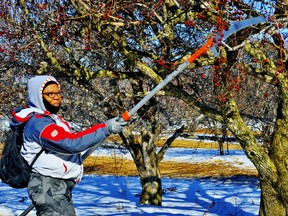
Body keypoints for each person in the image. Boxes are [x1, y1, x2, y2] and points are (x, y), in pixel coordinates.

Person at [10, 75, 127, 215]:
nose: (56, 97)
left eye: (58, 92)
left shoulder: (51, 118)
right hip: (48, 187)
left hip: (57, 187)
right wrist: (105, 128)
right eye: (50, 94)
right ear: (38, 96)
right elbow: (71, 143)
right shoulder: (38, 123)